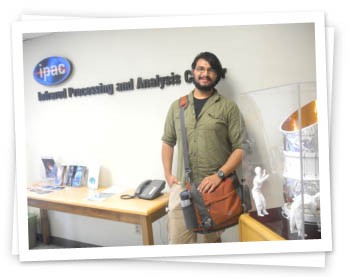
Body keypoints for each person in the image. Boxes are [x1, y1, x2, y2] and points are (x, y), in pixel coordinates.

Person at [161, 52, 246, 244]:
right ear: (193, 72)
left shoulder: (228, 107)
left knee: (212, 245)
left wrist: (220, 175)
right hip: (183, 186)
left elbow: (241, 147)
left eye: (210, 70)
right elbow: (168, 141)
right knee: (178, 243)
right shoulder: (177, 106)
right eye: (201, 68)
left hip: (215, 189)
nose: (205, 73)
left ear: (217, 75)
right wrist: (167, 174)